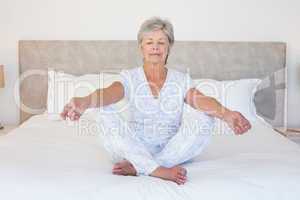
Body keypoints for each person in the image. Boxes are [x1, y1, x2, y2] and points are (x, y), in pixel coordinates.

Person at [60, 17, 251, 185]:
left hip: (171, 149)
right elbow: (109, 93)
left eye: (161, 42)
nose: (155, 47)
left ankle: (142, 167)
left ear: (169, 48)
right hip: (131, 148)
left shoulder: (180, 79)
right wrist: (84, 101)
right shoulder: (130, 77)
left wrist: (226, 114)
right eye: (149, 42)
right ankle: (157, 169)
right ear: (141, 47)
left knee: (207, 116)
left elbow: (200, 99)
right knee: (102, 108)